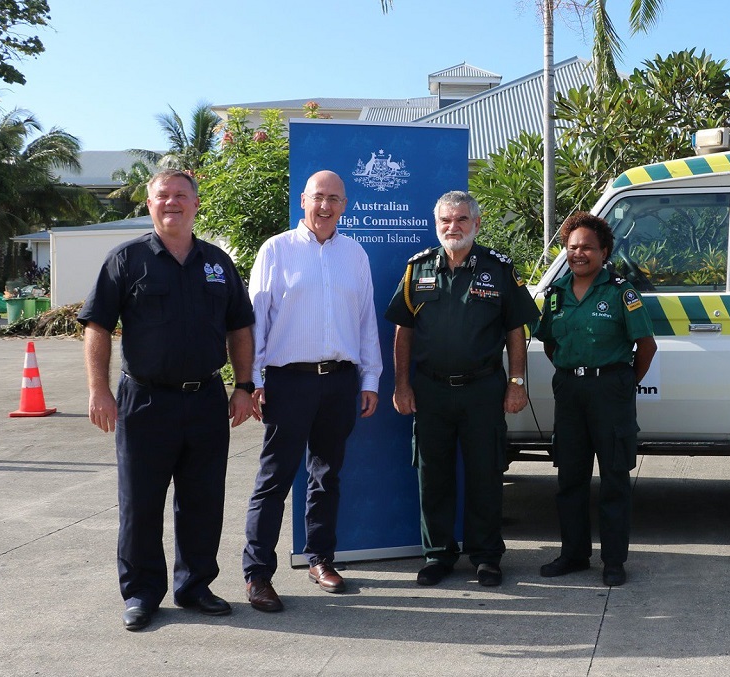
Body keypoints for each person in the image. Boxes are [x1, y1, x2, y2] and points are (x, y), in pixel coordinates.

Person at [79, 169, 256, 631]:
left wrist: (243, 386)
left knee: (203, 500)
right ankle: (141, 593)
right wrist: (98, 390)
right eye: (163, 196)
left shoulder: (218, 262)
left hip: (205, 402)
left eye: (181, 196)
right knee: (140, 502)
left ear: (196, 205)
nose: (172, 203)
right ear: (150, 204)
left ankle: (195, 586)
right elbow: (96, 326)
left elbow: (240, 326)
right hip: (145, 402)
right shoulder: (126, 259)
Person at [239, 171, 382, 612]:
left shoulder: (354, 254)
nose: (325, 206)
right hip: (289, 381)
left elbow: (365, 322)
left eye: (334, 199)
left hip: (339, 381)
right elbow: (255, 320)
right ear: (303, 200)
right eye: (318, 197)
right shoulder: (276, 250)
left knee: (326, 475)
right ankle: (257, 574)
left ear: (345, 205)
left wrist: (370, 378)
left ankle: (321, 559)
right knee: (274, 479)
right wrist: (254, 380)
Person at [384, 190, 538, 588]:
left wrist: (517, 383)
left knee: (485, 475)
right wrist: (401, 384)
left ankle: (486, 556)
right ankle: (437, 555)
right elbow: (404, 330)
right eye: (445, 221)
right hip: (431, 390)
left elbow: (515, 330)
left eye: (461, 220)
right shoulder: (417, 268)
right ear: (437, 225)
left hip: (483, 389)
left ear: (476, 224)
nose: (453, 228)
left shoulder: (498, 268)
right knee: (432, 476)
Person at [533, 212, 657, 587]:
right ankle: (574, 555)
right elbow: (550, 343)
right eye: (572, 247)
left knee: (615, 479)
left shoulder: (622, 292)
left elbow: (646, 347)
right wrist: (575, 371)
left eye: (587, 247)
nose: (578, 253)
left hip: (610, 392)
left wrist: (619, 383)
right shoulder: (555, 296)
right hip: (570, 391)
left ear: (604, 251)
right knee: (570, 478)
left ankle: (614, 561)